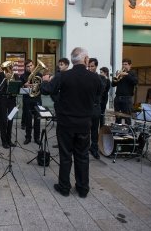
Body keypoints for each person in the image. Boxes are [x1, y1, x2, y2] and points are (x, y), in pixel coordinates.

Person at [40, 47, 101, 198]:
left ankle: (64, 187)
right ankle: (82, 188)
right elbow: (97, 98)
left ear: (72, 60)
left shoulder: (63, 76)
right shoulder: (95, 78)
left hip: (66, 123)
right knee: (82, 156)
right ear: (86, 59)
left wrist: (44, 81)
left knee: (65, 155)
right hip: (84, 124)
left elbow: (47, 90)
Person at [87, 58, 106, 159]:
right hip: (85, 107)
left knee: (94, 130)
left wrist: (95, 77)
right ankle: (84, 148)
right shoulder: (84, 77)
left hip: (95, 107)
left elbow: (102, 89)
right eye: (88, 66)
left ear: (96, 67)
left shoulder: (100, 78)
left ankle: (94, 148)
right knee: (85, 130)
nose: (90, 68)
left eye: (92, 66)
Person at [20, 59, 41, 145]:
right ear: (25, 67)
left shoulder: (39, 74)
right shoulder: (23, 76)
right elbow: (20, 88)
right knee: (28, 119)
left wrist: (35, 85)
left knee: (37, 120)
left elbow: (41, 86)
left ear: (33, 65)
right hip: (27, 100)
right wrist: (24, 85)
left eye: (31, 65)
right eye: (28, 66)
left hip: (37, 99)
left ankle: (37, 138)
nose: (30, 67)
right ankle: (28, 137)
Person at [0, 63, 18, 149]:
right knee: (3, 120)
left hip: (12, 100)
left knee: (10, 120)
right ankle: (4, 141)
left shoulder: (15, 75)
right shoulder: (1, 75)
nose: (10, 68)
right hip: (3, 99)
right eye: (9, 67)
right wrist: (6, 79)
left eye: (11, 66)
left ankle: (9, 140)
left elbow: (18, 86)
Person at [112, 58, 138, 125]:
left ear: (130, 65)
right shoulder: (120, 73)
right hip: (117, 98)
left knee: (127, 117)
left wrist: (126, 75)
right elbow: (113, 85)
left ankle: (128, 132)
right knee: (117, 116)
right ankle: (117, 130)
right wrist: (116, 79)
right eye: (123, 64)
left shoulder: (132, 73)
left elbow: (135, 82)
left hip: (127, 98)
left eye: (126, 64)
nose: (124, 66)